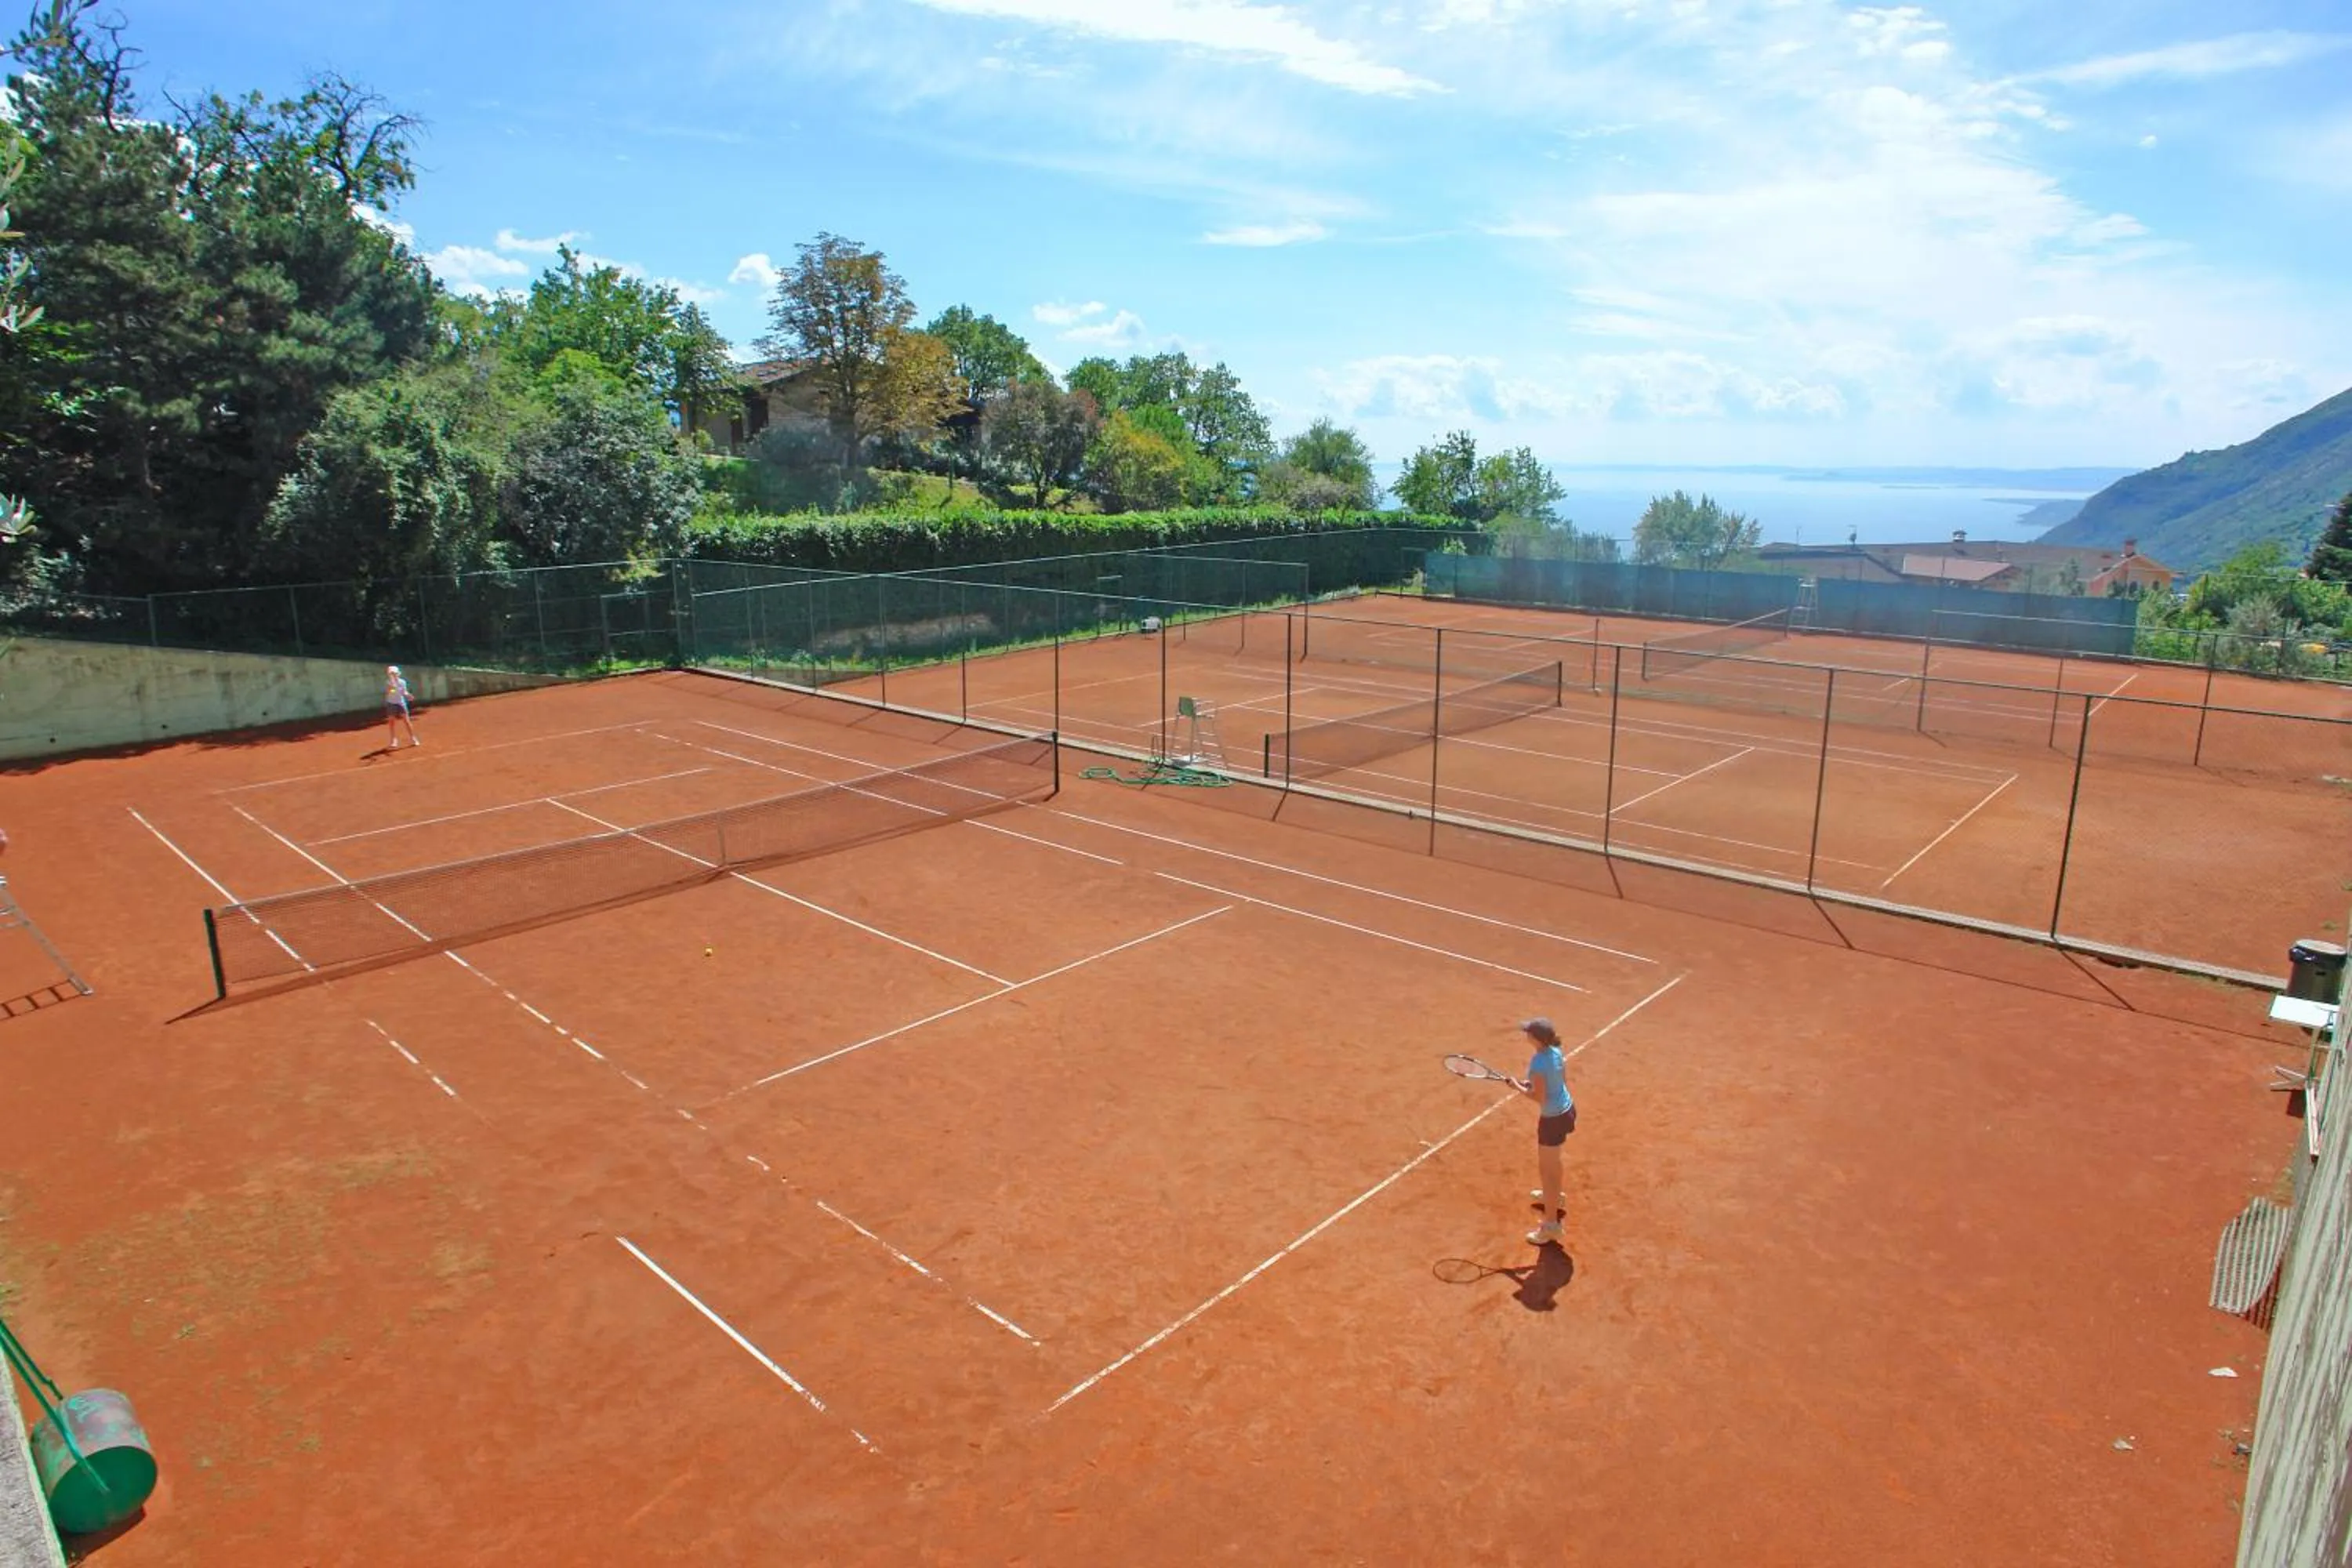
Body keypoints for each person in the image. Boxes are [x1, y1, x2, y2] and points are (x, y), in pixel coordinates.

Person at [1517, 1017, 1576, 1247]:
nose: (1526, 1035)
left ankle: (1551, 1226)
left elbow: (1538, 1097)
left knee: (1547, 1171)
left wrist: (1519, 1088)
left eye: (1528, 1032)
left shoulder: (1538, 1064)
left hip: (1552, 1120)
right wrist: (1531, 1084)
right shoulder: (1555, 1052)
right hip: (1567, 1110)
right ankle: (1555, 1197)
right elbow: (1559, 1081)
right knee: (1554, 1163)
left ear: (1535, 1039)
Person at [383, 664, 420, 750]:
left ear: (398, 674)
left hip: (401, 703)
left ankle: (413, 738)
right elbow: (390, 692)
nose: (393, 675)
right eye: (391, 674)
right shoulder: (388, 682)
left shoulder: (402, 682)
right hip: (391, 703)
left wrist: (409, 696)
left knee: (407, 721)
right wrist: (392, 687)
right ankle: (394, 740)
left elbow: (404, 692)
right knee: (392, 722)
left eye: (395, 673)